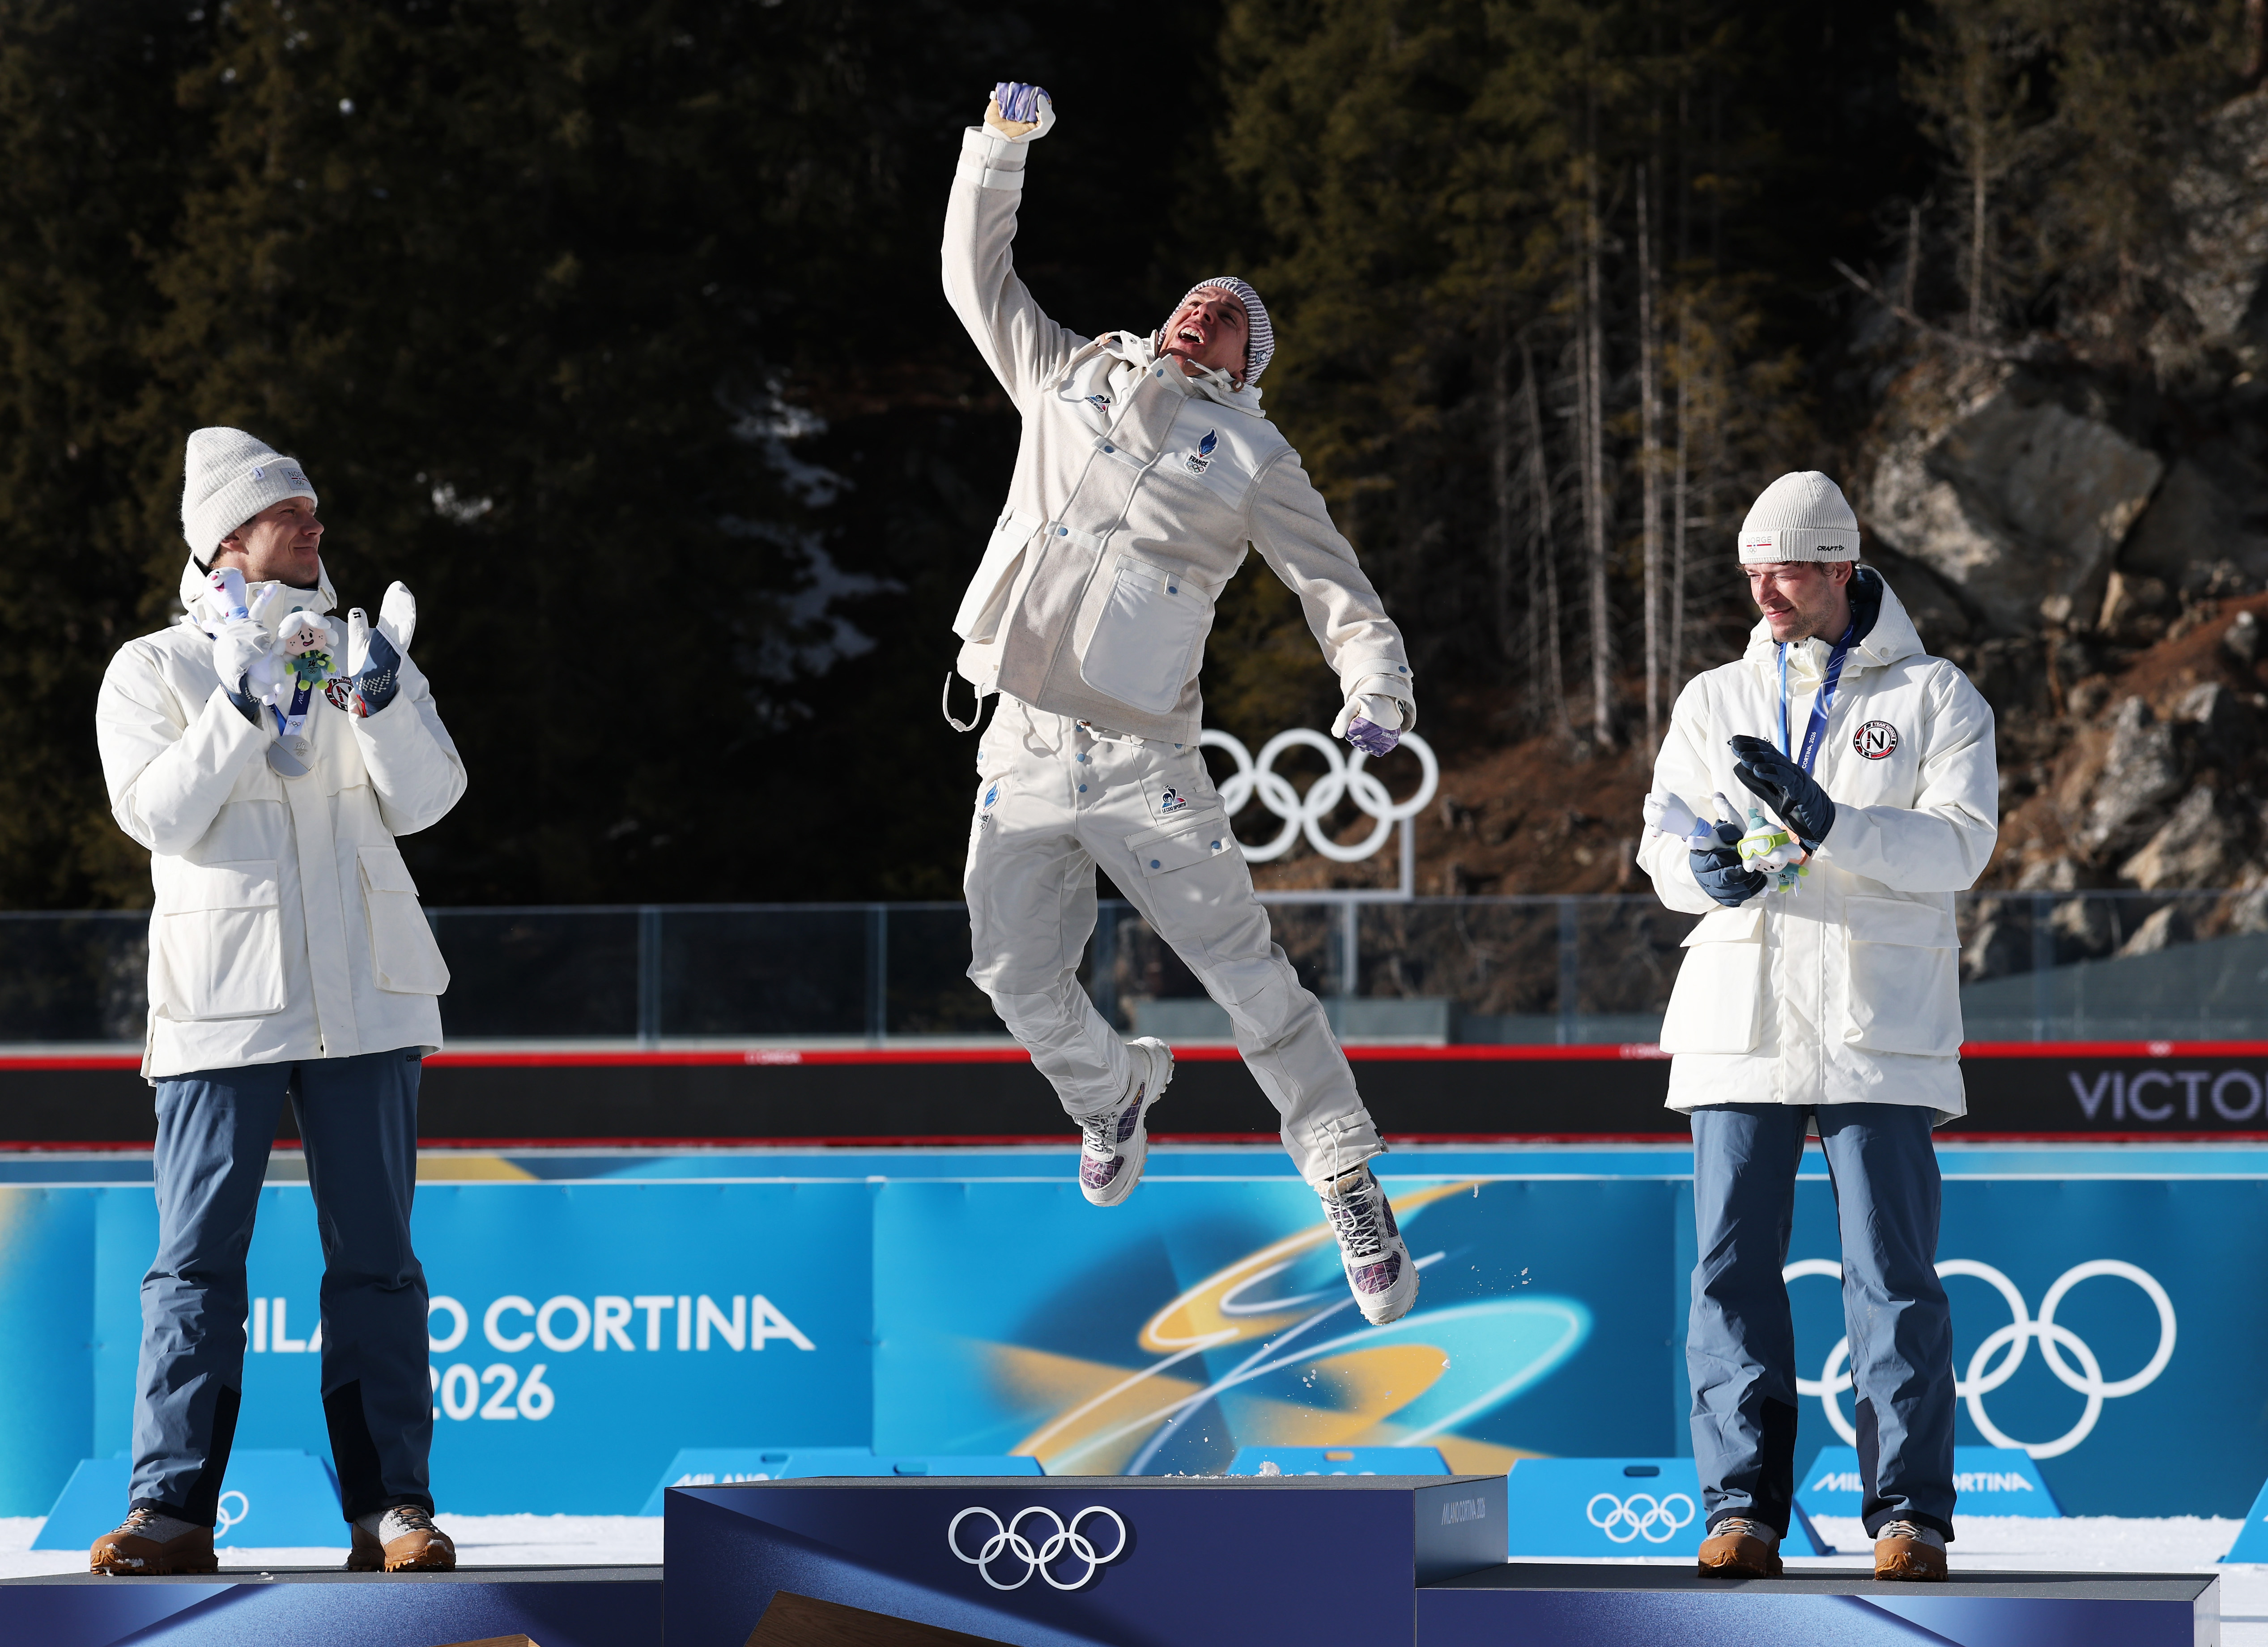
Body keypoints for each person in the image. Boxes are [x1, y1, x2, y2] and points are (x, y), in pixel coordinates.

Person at [941, 82, 1422, 1324]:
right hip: (1023, 742)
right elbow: (973, 279)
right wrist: (1000, 153)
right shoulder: (1067, 380)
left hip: (1144, 759)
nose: (1203, 307)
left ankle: (1344, 1173)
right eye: (1195, 298)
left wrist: (1373, 688)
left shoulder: (1252, 460)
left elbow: (1337, 589)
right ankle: (1112, 1096)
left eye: (1230, 318)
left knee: (1246, 975)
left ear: (1243, 364)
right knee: (1009, 974)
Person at [89, 428, 468, 1575]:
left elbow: (433, 801)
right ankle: (171, 1513)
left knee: (379, 1265)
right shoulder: (152, 669)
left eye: (312, 509)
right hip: (220, 1011)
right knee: (195, 1263)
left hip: (367, 999)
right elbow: (153, 814)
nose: (312, 523)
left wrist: (385, 703)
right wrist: (242, 706)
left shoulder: (365, 648)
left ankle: (392, 1510)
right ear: (225, 545)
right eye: (283, 513)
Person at [1637, 471, 1996, 1582]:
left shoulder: (1937, 696)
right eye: (1749, 570)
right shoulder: (1712, 698)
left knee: (1889, 1278)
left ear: (1841, 565)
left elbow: (1959, 848)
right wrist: (1696, 870)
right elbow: (1658, 838)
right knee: (1726, 1271)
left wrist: (1832, 824)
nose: (1762, 588)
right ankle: (1739, 1507)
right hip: (1739, 1015)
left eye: (1783, 568)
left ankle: (1907, 1518)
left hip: (1873, 1022)